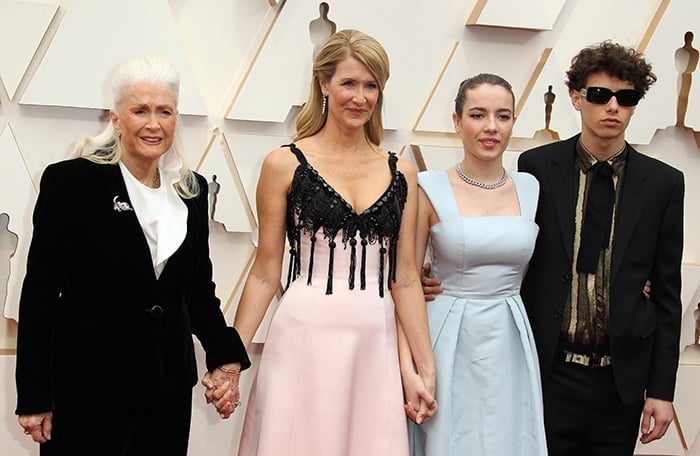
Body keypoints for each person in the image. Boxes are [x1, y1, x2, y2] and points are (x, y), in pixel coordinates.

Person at [423, 41, 684, 456]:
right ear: (576, 98)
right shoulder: (537, 169)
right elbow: (505, 242)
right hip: (547, 368)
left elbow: (668, 293)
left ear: (635, 105)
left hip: (623, 378)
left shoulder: (665, 184)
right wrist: (440, 270)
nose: (612, 106)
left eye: (626, 97)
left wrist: (662, 390)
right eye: (600, 95)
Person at [14, 55, 250, 455]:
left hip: (167, 390)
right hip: (87, 390)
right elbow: (39, 294)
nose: (153, 124)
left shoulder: (191, 190)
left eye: (165, 111)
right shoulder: (72, 182)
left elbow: (196, 291)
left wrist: (224, 353)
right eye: (140, 110)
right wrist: (35, 395)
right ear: (116, 117)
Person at [227, 29, 436, 456]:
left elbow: (406, 280)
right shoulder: (284, 164)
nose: (360, 97)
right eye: (348, 83)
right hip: (304, 336)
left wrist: (423, 368)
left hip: (373, 341)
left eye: (371, 85)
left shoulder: (402, 172)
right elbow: (266, 273)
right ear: (323, 84)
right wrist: (231, 358)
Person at [407, 73, 547, 456]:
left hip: (510, 338)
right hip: (447, 334)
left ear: (513, 123)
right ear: (456, 121)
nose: (491, 127)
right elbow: (403, 279)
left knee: (508, 437)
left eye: (503, 116)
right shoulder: (427, 186)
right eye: (478, 115)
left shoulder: (531, 187)